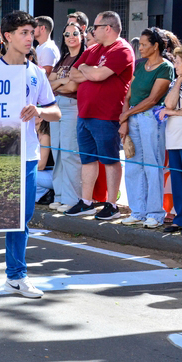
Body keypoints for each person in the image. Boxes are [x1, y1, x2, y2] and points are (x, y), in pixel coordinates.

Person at [0, 10, 61, 298]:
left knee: (22, 217)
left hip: (28, 155)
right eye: (24, 33)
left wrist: (40, 111)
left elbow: (54, 111)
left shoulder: (35, 73)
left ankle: (16, 276)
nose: (30, 38)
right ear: (7, 36)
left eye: (32, 33)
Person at [66, 11, 135, 220]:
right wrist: (91, 70)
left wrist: (89, 70)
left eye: (94, 27)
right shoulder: (94, 49)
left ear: (108, 28)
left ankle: (112, 204)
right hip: (85, 112)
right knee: (87, 159)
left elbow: (98, 75)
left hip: (107, 114)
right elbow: (73, 73)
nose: (91, 31)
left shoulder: (122, 49)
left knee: (110, 159)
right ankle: (86, 202)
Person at [119, 27, 173, 228]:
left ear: (155, 46)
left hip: (151, 118)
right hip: (133, 117)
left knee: (152, 164)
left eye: (143, 44)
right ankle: (138, 211)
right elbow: (128, 96)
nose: (139, 48)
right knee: (133, 165)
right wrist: (124, 120)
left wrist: (126, 114)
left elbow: (153, 99)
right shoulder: (140, 67)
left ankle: (156, 214)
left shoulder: (165, 67)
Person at [47, 21, 86, 212]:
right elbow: (48, 83)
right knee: (57, 151)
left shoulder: (83, 59)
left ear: (81, 36)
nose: (71, 37)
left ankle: (72, 199)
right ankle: (60, 195)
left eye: (75, 34)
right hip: (57, 105)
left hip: (72, 106)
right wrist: (63, 80)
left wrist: (59, 83)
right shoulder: (62, 60)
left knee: (71, 152)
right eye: (67, 34)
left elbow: (73, 87)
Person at [160, 45, 182, 235]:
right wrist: (179, 80)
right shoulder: (175, 82)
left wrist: (173, 112)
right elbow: (168, 104)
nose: (175, 65)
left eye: (178, 63)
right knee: (178, 180)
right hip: (174, 138)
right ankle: (181, 218)